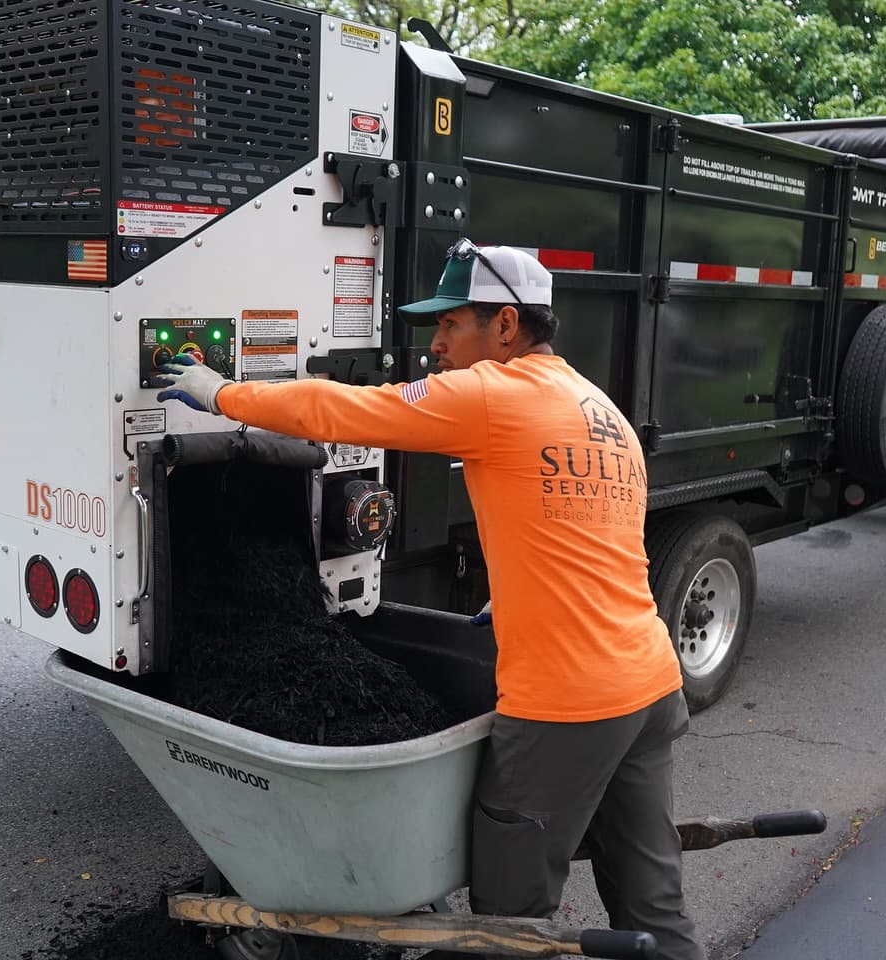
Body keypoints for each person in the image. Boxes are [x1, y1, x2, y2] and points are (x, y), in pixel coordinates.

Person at [157, 241, 705, 960]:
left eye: (450, 324)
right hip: (650, 683)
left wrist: (220, 393)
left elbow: (342, 409)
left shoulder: (491, 394)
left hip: (569, 703)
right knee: (653, 901)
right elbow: (597, 543)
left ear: (505, 325)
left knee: (508, 922)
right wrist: (517, 602)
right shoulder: (601, 410)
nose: (436, 345)